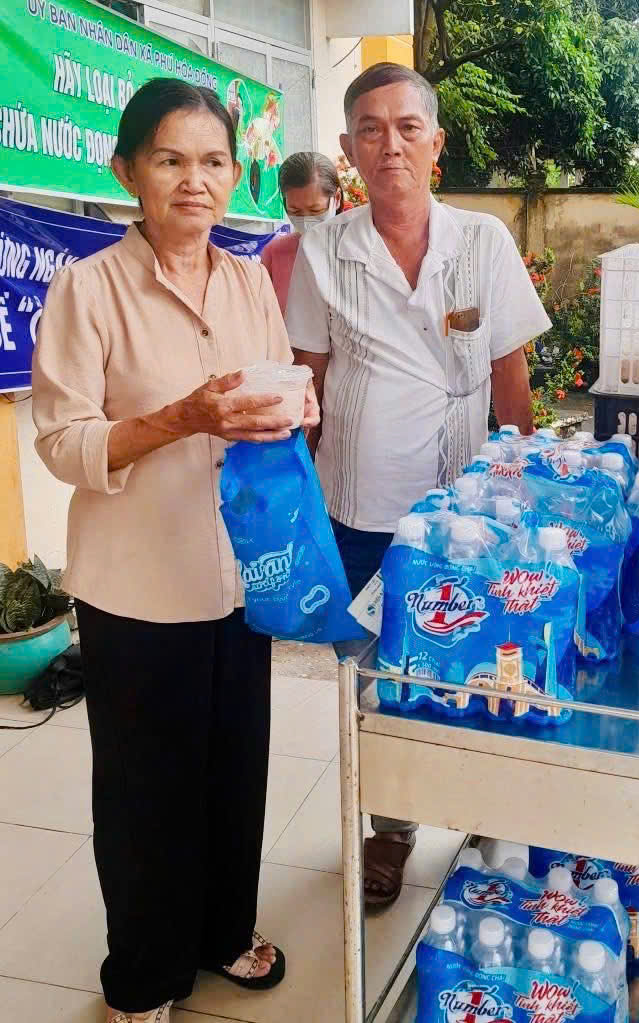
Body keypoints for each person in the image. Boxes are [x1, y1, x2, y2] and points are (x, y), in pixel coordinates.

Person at [31, 78, 319, 1023]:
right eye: (170, 159)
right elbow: (63, 441)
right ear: (127, 172)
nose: (195, 181)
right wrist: (181, 418)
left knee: (235, 769)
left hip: (240, 574)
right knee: (144, 790)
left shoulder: (247, 279)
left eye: (213, 162)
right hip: (137, 588)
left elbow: (275, 391)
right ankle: (144, 973)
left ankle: (223, 931)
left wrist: (294, 405)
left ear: (235, 177)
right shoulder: (89, 289)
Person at [284, 62, 551, 907]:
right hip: (359, 511)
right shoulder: (323, 250)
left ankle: (489, 819)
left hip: (470, 510)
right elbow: (306, 378)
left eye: (408, 127)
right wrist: (297, 499)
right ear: (349, 148)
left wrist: (521, 490)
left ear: (437, 142)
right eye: (371, 129)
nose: (390, 145)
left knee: (483, 664)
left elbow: (510, 373)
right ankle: (391, 829)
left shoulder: (483, 241)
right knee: (377, 680)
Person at [262, 151, 343, 314]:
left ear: (337, 199)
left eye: (315, 210)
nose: (306, 220)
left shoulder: (359, 248)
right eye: (295, 211)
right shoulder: (275, 253)